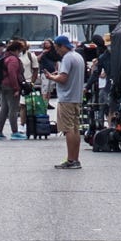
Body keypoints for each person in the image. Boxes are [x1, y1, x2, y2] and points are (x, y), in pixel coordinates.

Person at [47, 34, 85, 169]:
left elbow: (63, 78)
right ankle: (75, 158)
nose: (57, 51)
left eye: (57, 48)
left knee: (68, 129)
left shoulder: (67, 58)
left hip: (67, 98)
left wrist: (51, 77)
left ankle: (70, 160)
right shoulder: (78, 57)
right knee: (75, 129)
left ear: (63, 46)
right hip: (76, 97)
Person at [0, 41, 28, 140]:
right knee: (13, 110)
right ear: (16, 50)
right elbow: (12, 74)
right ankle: (15, 132)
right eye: (20, 51)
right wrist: (16, 88)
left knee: (4, 109)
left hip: (3, 85)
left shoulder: (5, 57)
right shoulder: (13, 59)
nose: (20, 53)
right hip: (10, 86)